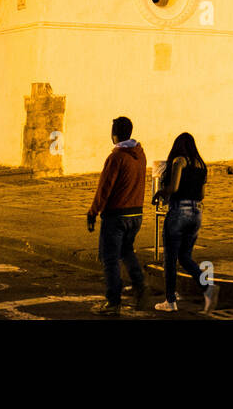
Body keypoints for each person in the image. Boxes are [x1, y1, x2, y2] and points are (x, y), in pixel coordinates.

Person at [87, 116, 148, 316]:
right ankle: (139, 285)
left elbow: (104, 189)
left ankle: (113, 301)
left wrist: (93, 212)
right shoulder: (140, 155)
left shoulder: (116, 157)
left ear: (114, 134)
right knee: (127, 251)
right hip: (136, 213)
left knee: (110, 259)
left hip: (116, 215)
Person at [153, 132, 218, 314]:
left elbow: (173, 188)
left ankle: (170, 300)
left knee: (170, 259)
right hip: (197, 212)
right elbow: (202, 194)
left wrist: (160, 193)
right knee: (185, 257)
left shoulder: (179, 161)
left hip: (179, 211)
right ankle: (208, 288)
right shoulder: (201, 165)